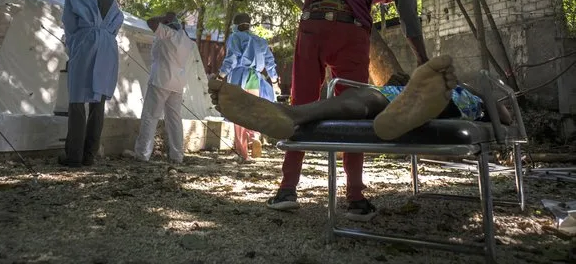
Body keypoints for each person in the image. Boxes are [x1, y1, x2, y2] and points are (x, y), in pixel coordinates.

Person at [270, 0, 433, 218]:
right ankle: (355, 199)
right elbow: (411, 24)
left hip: (312, 18)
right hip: (349, 27)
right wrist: (424, 61)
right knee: (353, 109)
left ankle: (286, 190)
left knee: (300, 104)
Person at [208, 56, 512, 219]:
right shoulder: (468, 91)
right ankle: (291, 114)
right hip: (429, 102)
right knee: (370, 96)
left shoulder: (464, 90)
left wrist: (487, 99)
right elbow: (506, 117)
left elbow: (505, 120)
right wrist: (484, 97)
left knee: (363, 98)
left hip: (412, 98)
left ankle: (293, 112)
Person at [58, 0, 124, 167]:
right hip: (108, 47)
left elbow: (70, 26)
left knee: (77, 101)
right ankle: (89, 155)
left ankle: (74, 155)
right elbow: (116, 26)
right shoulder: (113, 4)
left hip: (86, 43)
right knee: (98, 103)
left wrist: (72, 45)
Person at [124, 12, 196, 164]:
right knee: (174, 120)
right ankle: (177, 155)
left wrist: (164, 17)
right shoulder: (187, 40)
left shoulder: (168, 33)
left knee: (150, 116)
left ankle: (143, 154)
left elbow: (151, 22)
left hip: (161, 80)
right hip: (177, 83)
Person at [217, 13, 279, 162]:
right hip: (255, 78)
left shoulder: (235, 37)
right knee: (253, 112)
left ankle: (243, 153)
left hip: (239, 76)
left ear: (235, 25)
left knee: (239, 114)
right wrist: (275, 82)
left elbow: (231, 58)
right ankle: (254, 138)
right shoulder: (260, 41)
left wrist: (220, 76)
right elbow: (270, 63)